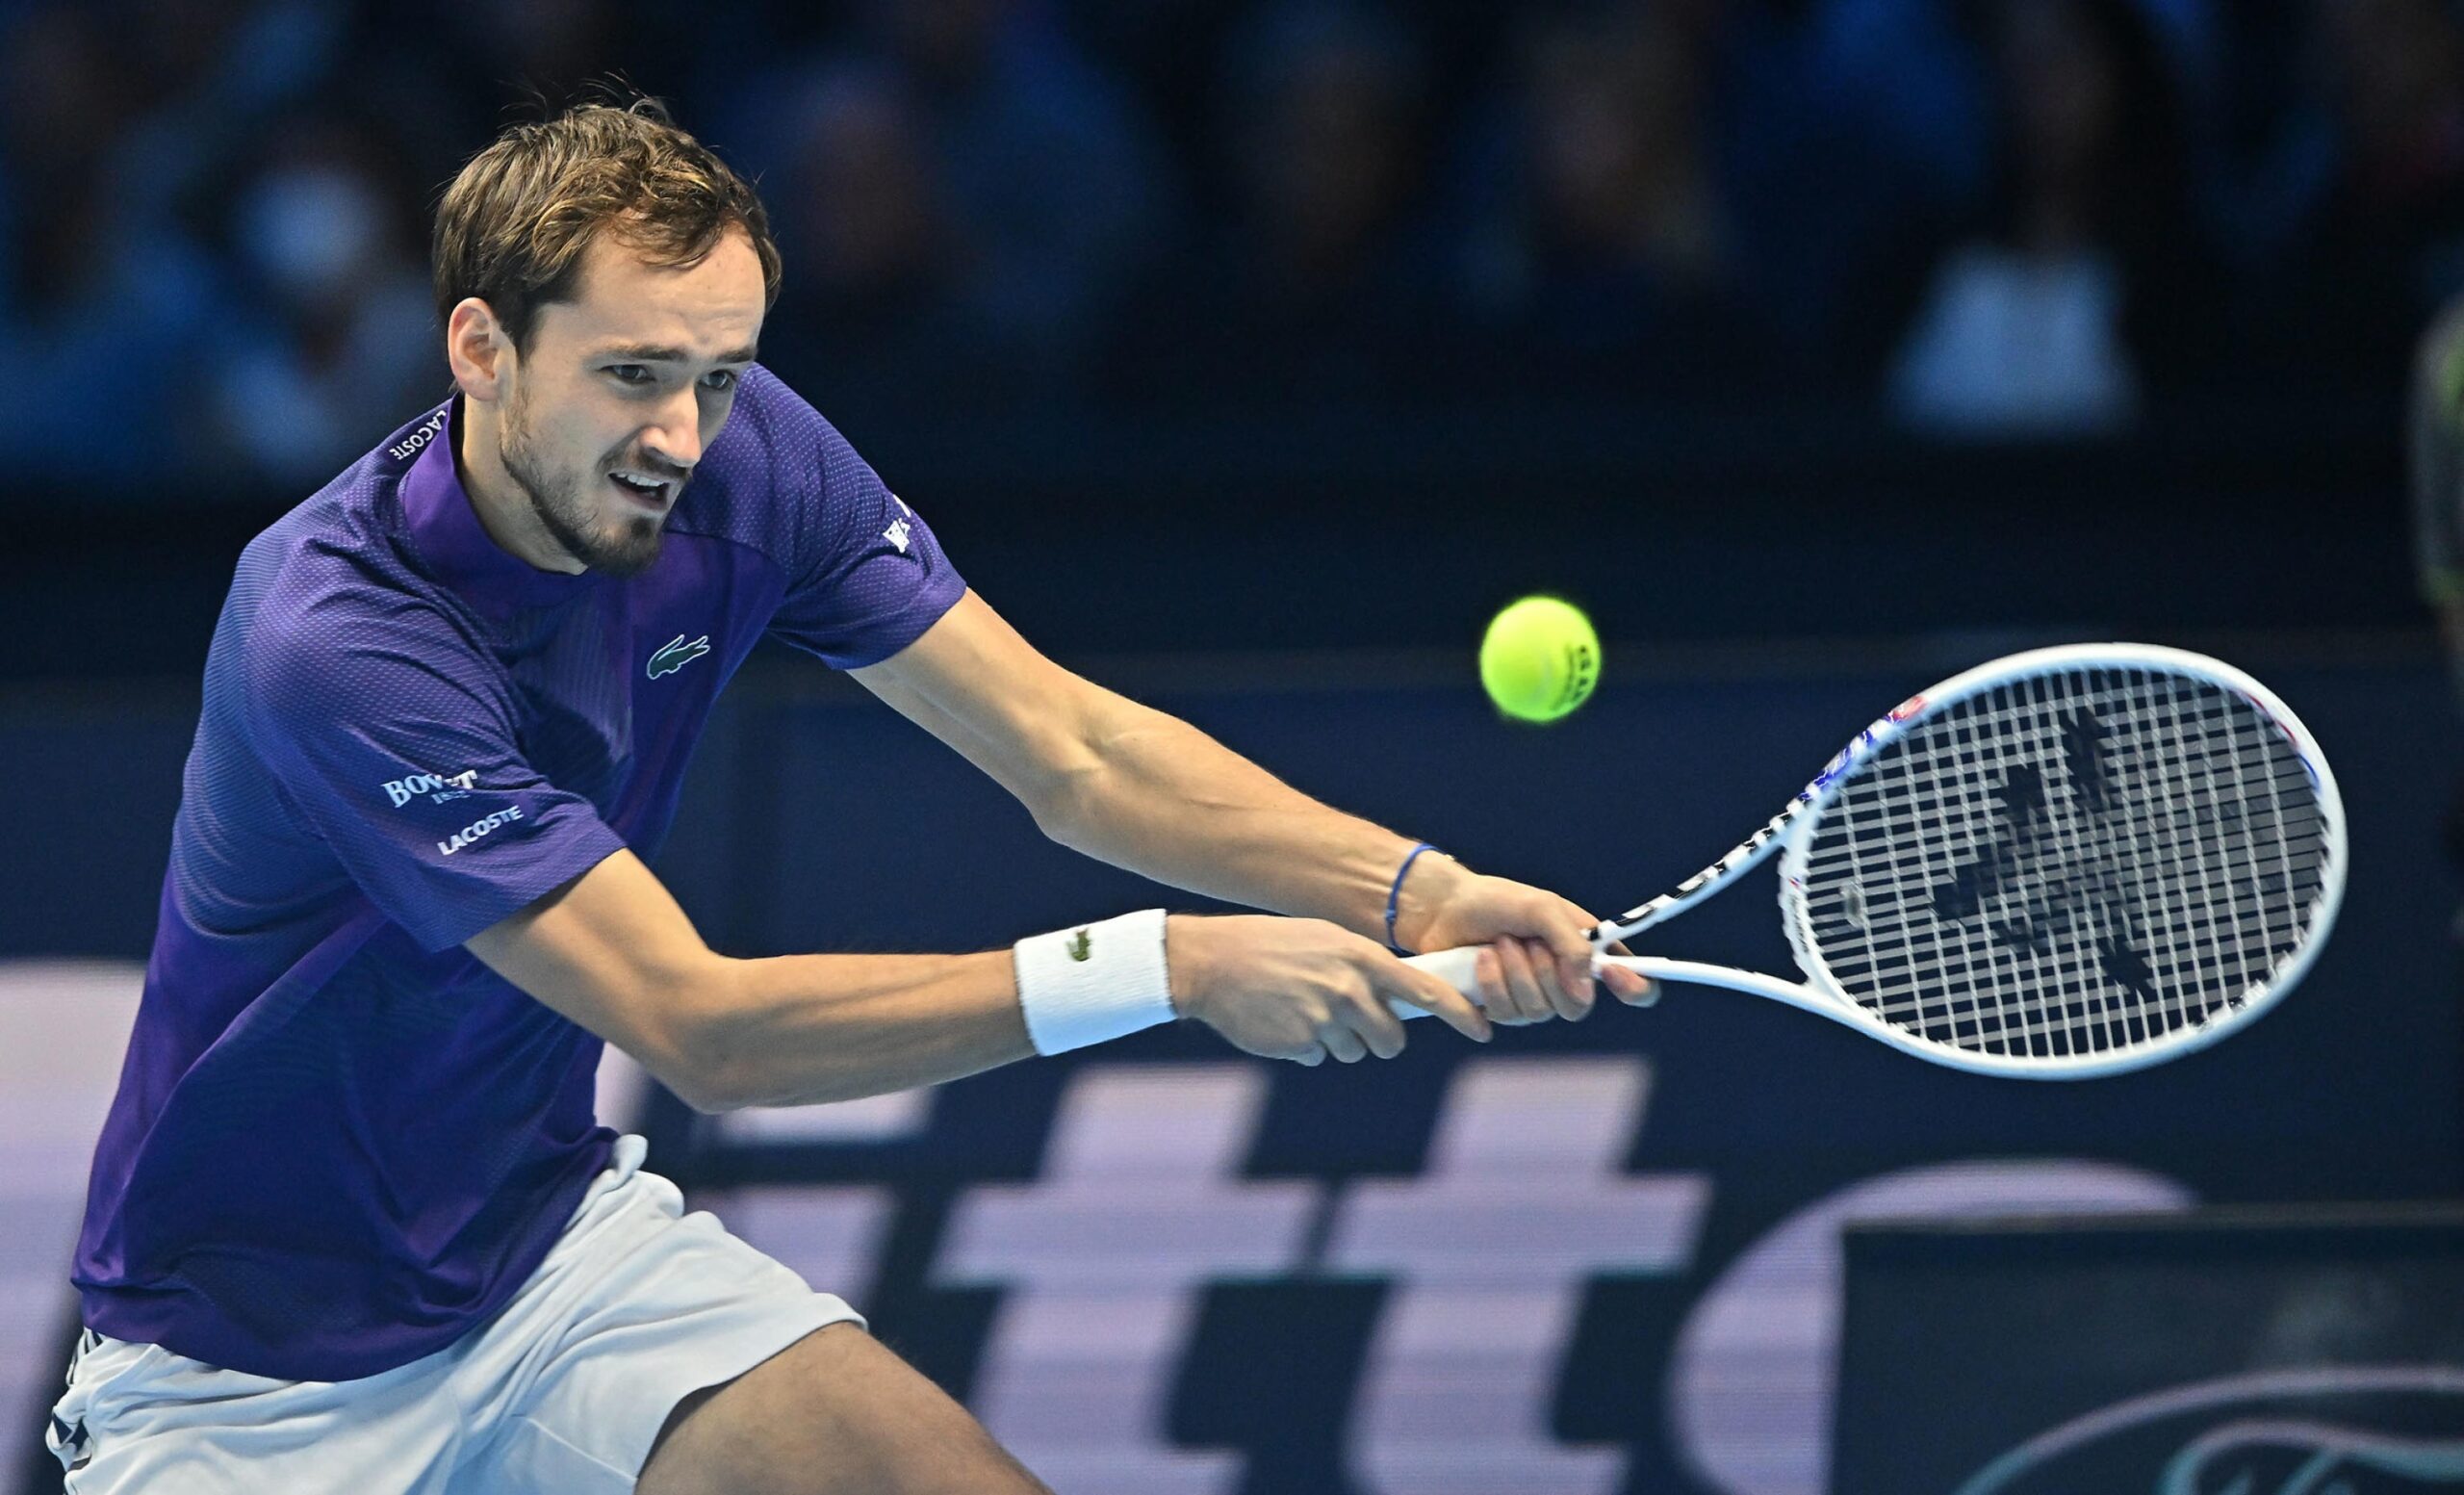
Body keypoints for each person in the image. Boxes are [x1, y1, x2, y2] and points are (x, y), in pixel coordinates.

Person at [51, 97, 1652, 1495]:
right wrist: (1170, 966)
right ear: (481, 347)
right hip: (237, 1391)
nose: (683, 435)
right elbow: (703, 1028)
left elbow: (1073, 749)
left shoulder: (746, 461)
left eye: (723, 375)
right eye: (629, 374)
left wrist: (1411, 887)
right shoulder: (336, 638)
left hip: (546, 1267)